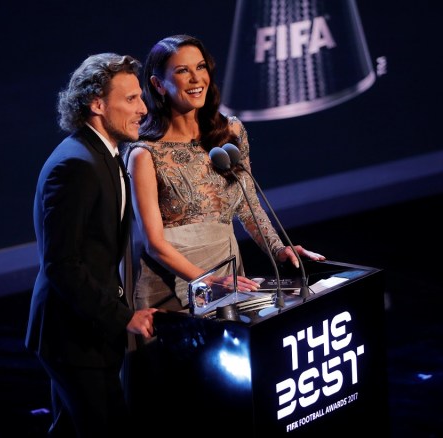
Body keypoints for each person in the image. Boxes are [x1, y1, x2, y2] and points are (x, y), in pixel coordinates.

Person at [124, 34, 326, 313]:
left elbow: (247, 205)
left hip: (228, 274)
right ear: (158, 84)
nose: (196, 79)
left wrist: (280, 250)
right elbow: (155, 243)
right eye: (183, 71)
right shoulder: (144, 154)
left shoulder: (230, 132)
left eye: (201, 67)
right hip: (170, 289)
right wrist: (209, 281)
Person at [25, 52, 158, 437]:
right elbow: (62, 265)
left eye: (140, 98)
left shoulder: (106, 153)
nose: (143, 110)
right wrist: (123, 317)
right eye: (130, 99)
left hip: (88, 332)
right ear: (97, 104)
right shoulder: (76, 166)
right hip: (72, 337)